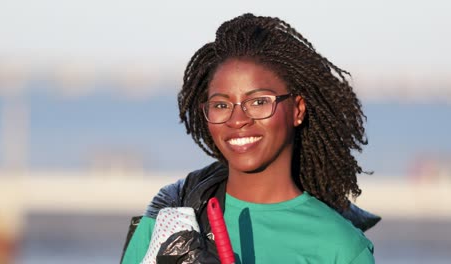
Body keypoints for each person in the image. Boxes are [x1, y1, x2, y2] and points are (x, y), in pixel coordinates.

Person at [121, 13, 380, 264]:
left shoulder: (340, 248)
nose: (237, 120)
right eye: (221, 105)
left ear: (298, 110)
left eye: (258, 102)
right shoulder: (170, 221)